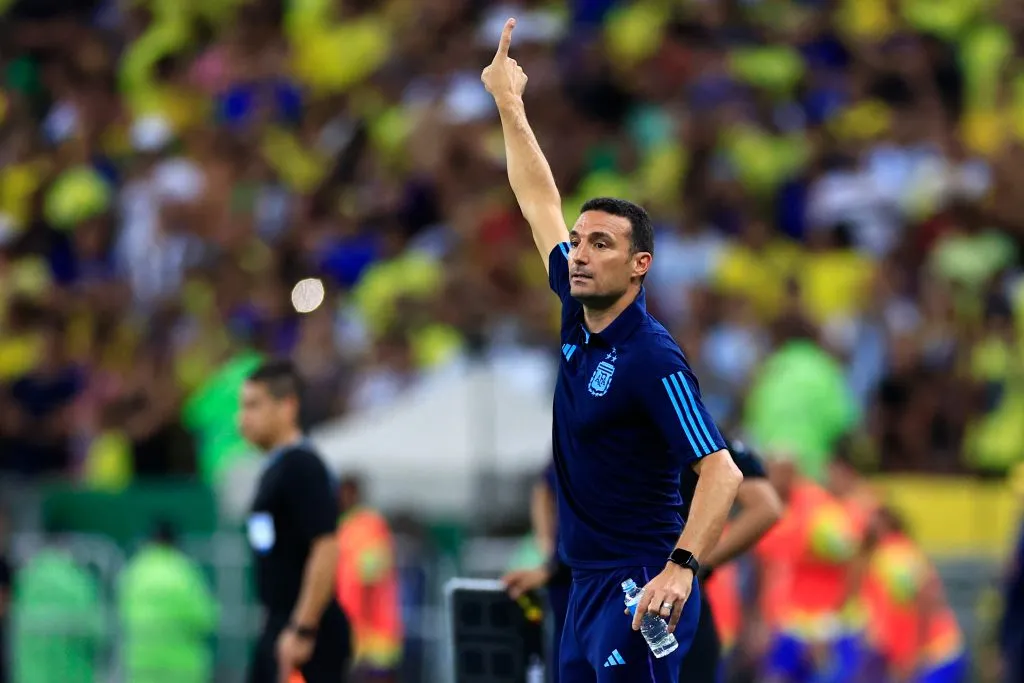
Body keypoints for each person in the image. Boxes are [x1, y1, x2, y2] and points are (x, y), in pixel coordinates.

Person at [482, 19, 743, 682]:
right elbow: (538, 198)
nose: (580, 253)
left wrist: (680, 570)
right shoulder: (577, 315)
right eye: (579, 240)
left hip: (638, 588)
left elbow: (722, 472)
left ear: (640, 266)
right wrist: (510, 104)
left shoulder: (651, 358)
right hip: (583, 586)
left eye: (601, 244)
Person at [505, 442, 780, 683]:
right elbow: (548, 484)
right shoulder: (598, 416)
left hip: (665, 606)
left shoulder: (677, 417)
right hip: (597, 601)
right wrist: (551, 558)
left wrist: (688, 564)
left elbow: (764, 505)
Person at [240, 360, 352, 683]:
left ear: (287, 407)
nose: (242, 418)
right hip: (280, 628)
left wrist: (302, 629)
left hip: (304, 637)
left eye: (254, 405)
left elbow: (326, 546)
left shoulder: (301, 466)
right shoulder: (276, 470)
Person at [678, 439, 783, 682]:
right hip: (613, 591)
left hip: (675, 601)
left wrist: (688, 564)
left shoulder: (699, 432)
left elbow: (766, 507)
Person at [753, 451, 862, 683]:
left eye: (778, 471)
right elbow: (767, 570)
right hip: (787, 620)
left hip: (819, 624)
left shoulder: (821, 514)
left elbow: (853, 563)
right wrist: (763, 620)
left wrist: (829, 624)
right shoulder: (767, 509)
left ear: (793, 473)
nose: (771, 477)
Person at [862, 507, 966, 683]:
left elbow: (925, 600)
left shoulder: (894, 556)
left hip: (932, 656)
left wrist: (912, 656)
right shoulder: (894, 554)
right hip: (927, 654)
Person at [117, 521, 219, 683]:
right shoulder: (184, 571)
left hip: (142, 663)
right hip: (182, 666)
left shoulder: (135, 570)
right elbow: (206, 618)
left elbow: (122, 612)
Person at [335, 474, 403, 683]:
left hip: (374, 633)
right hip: (352, 629)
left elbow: (371, 574)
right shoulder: (343, 525)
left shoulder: (369, 524)